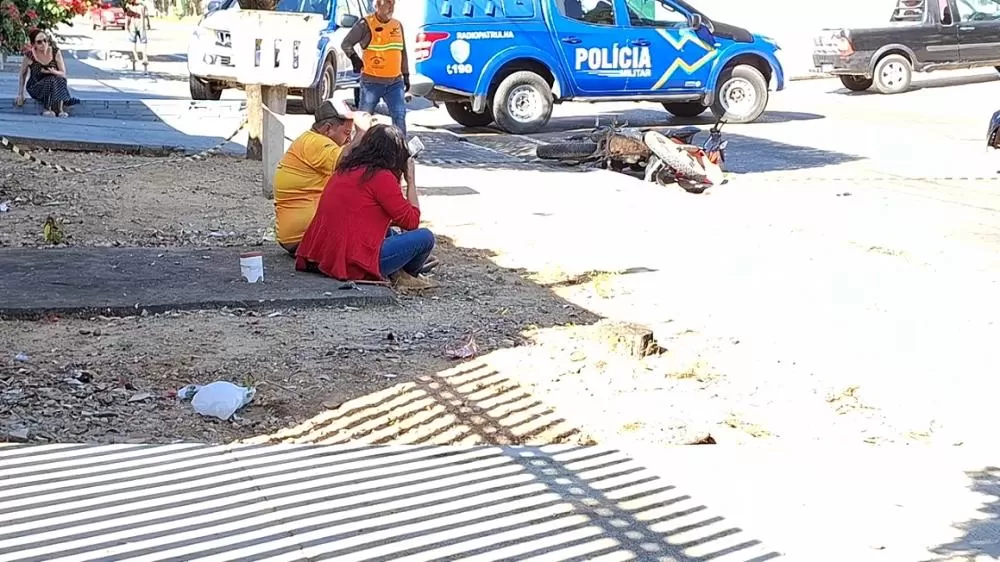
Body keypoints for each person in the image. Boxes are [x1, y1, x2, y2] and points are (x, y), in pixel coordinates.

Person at [295, 124, 436, 288]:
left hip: (324, 254)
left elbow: (370, 214)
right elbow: (412, 221)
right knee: (425, 237)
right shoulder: (381, 177)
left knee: (390, 232)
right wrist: (411, 180)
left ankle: (401, 266)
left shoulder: (346, 169)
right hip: (354, 262)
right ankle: (405, 272)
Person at [273, 99, 371, 255]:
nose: (349, 140)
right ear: (328, 129)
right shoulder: (315, 142)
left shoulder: (310, 140)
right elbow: (344, 158)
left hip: (299, 234)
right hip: (303, 237)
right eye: (347, 133)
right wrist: (362, 132)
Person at [341, 0, 410, 135]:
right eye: (387, 3)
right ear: (377, 5)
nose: (391, 7)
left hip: (395, 82)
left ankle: (400, 147)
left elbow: (403, 52)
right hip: (371, 82)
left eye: (393, 3)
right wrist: (355, 59)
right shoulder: (365, 24)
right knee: (364, 120)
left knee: (399, 117)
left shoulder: (397, 25)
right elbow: (346, 44)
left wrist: (406, 75)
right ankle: (359, 146)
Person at [14, 29, 80, 117]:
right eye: (39, 42)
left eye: (45, 40)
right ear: (34, 44)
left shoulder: (55, 52)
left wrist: (54, 71)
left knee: (59, 79)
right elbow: (22, 74)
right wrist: (20, 94)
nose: (43, 44)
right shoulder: (29, 56)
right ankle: (47, 108)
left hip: (55, 85)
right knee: (51, 79)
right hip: (36, 86)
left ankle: (60, 110)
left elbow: (63, 73)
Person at [125, 0, 149, 73]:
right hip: (140, 26)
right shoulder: (142, 5)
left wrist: (127, 26)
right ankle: (143, 57)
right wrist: (148, 23)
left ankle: (137, 57)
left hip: (135, 26)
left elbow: (128, 17)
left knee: (134, 42)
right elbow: (146, 15)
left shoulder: (129, 5)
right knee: (142, 42)